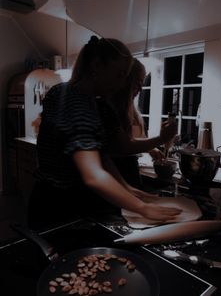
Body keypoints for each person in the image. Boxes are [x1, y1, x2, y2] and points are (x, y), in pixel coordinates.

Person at [28, 36, 181, 230]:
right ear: (97, 66)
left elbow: (102, 156)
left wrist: (126, 187)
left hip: (68, 199)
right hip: (56, 204)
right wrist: (142, 208)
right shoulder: (74, 101)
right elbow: (93, 174)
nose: (121, 84)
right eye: (119, 74)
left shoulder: (87, 100)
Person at [109, 58, 164, 188]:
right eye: (137, 83)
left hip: (131, 168)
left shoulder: (132, 109)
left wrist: (151, 148)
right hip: (116, 170)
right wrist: (162, 138)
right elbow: (124, 145)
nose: (140, 89)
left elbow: (139, 137)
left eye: (142, 84)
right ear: (125, 81)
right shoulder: (110, 109)